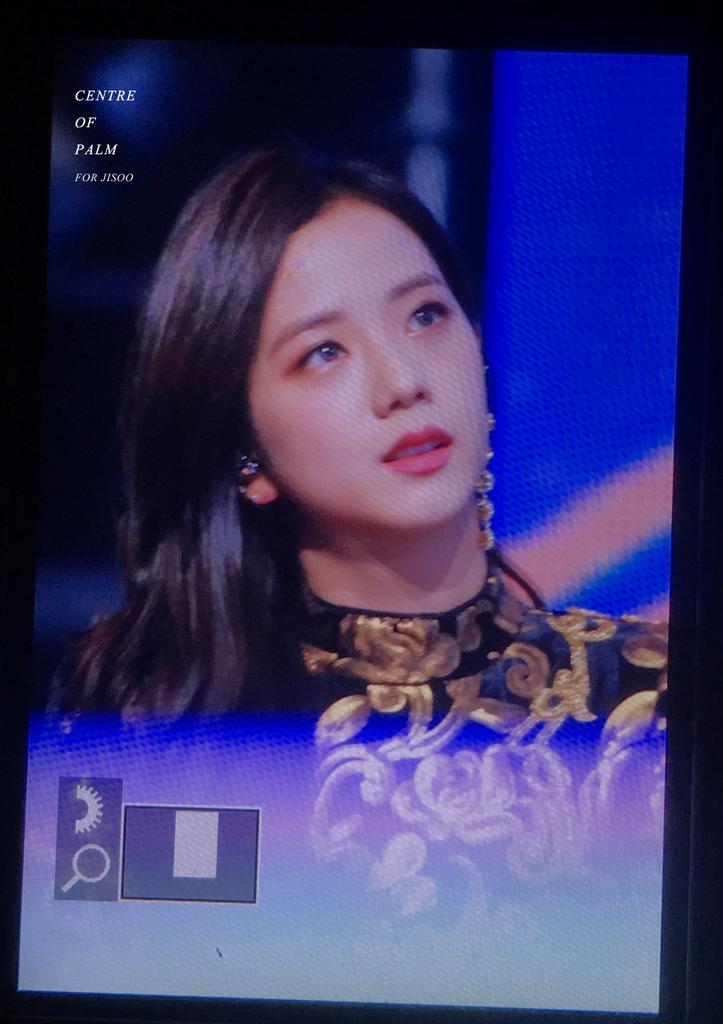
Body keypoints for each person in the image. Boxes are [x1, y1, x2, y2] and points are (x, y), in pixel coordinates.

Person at [50, 145, 667, 765]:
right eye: (324, 352)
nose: (403, 381)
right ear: (244, 448)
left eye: (425, 315)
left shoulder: (649, 698)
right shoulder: (144, 719)